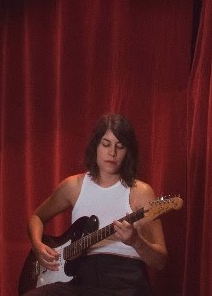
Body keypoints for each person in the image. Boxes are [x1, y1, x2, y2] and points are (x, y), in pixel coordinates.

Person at [22, 114, 167, 296]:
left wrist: (136, 241)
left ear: (128, 152)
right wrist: (37, 245)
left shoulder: (141, 192)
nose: (112, 153)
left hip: (125, 283)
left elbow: (160, 261)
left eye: (120, 146)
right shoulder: (73, 186)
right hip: (79, 279)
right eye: (106, 144)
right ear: (95, 145)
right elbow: (36, 217)